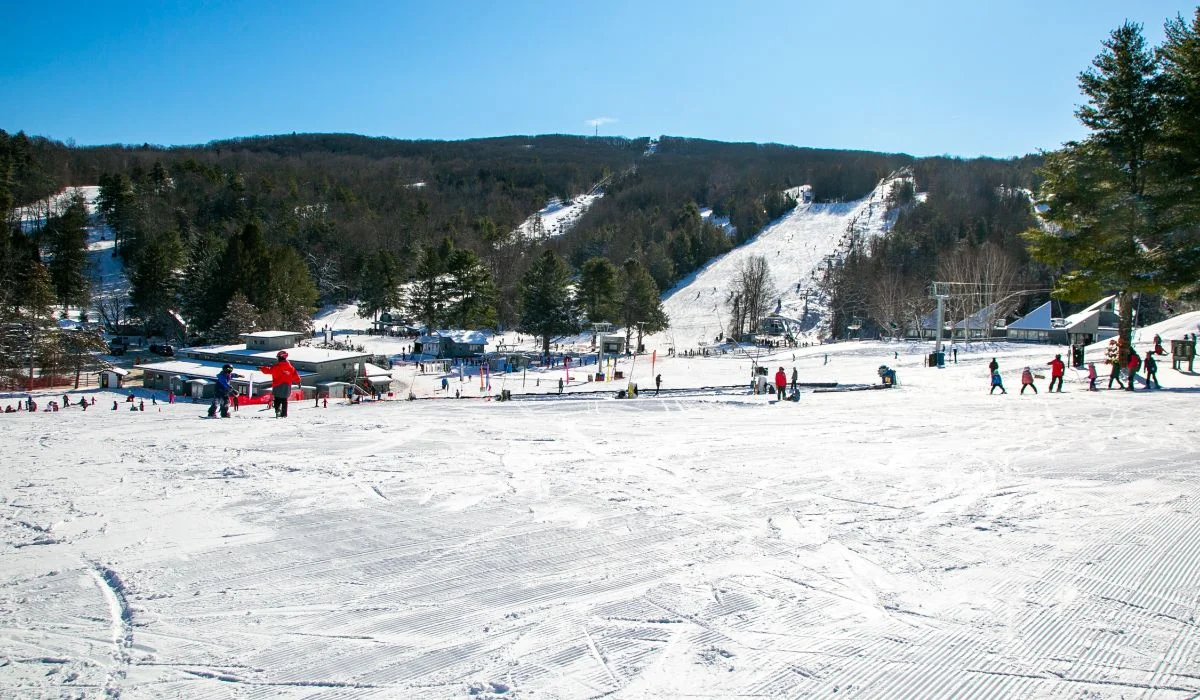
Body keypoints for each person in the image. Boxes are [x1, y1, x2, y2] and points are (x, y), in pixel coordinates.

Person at [260, 350, 302, 418]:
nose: (277, 359)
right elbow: (295, 375)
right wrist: (298, 382)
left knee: (277, 400)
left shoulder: (277, 367)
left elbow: (269, 370)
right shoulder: (290, 367)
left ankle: (277, 411)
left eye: (278, 358)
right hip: (287, 386)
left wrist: (262, 368)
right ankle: (284, 414)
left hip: (277, 386)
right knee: (284, 401)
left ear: (281, 357)